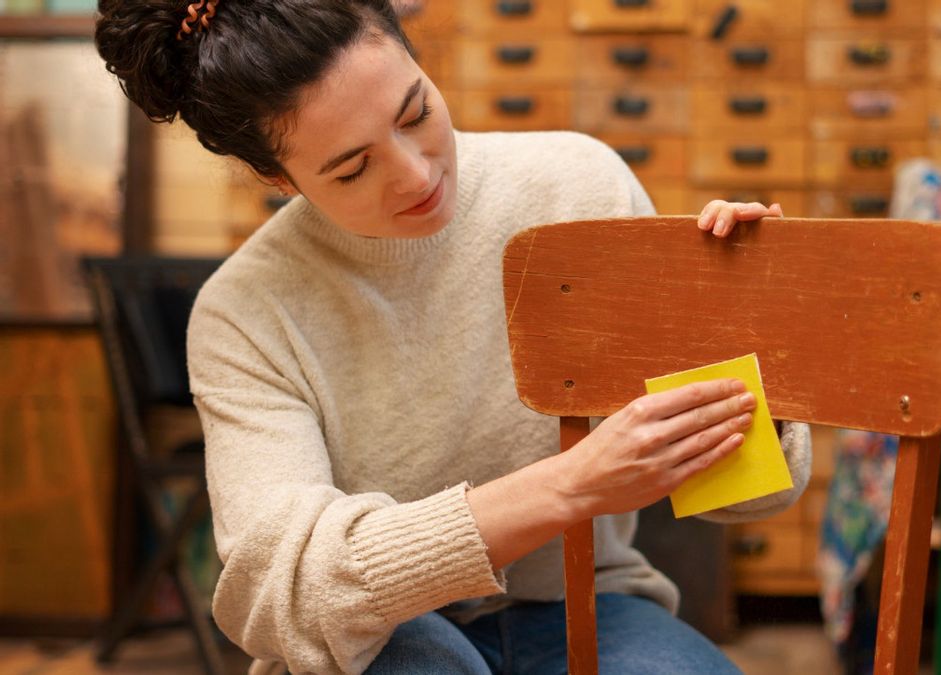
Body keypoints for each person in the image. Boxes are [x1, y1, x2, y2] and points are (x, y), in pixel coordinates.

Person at [94, 2, 812, 673]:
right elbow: (286, 592)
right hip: (381, 637)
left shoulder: (577, 190)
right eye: (352, 167)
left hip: (580, 605)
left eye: (417, 112)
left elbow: (743, 498)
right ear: (275, 175)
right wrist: (570, 486)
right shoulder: (245, 314)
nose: (415, 173)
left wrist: (743, 334)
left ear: (415, 53)